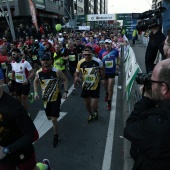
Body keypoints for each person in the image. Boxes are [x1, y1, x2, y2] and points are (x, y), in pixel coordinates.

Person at [124, 58, 170, 170]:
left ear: (164, 88)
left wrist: (147, 98)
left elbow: (130, 129)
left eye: (152, 81)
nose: (150, 84)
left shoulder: (157, 123)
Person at [0, 79, 39, 170]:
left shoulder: (14, 108)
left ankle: (45, 166)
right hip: (4, 160)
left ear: (1, 83)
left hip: (22, 154)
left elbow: (33, 135)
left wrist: (6, 150)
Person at [33, 53, 68, 147]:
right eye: (43, 60)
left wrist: (65, 91)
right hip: (45, 99)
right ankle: (54, 112)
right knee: (48, 118)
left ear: (51, 60)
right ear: (41, 61)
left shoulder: (57, 71)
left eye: (47, 60)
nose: (45, 62)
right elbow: (35, 81)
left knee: (53, 119)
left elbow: (65, 79)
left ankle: (56, 136)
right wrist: (36, 93)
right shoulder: (38, 72)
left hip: (55, 98)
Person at [74, 46, 105, 123]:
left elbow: (102, 69)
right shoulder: (80, 63)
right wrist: (77, 77)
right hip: (85, 86)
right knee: (87, 104)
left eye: (89, 54)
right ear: (83, 54)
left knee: (93, 105)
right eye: (85, 54)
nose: (87, 56)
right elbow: (77, 73)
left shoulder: (98, 61)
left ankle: (95, 111)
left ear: (92, 53)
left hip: (95, 86)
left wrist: (103, 78)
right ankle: (91, 114)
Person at [11, 48, 34, 114]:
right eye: (12, 55)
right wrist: (12, 79)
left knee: (23, 98)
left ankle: (26, 112)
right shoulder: (13, 63)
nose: (13, 56)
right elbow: (13, 72)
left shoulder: (25, 63)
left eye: (14, 54)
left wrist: (27, 79)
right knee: (18, 99)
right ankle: (29, 97)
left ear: (19, 54)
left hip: (25, 83)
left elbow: (32, 72)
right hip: (17, 83)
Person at [101, 39, 120, 110]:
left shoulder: (115, 51)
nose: (107, 45)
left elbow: (118, 57)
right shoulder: (101, 52)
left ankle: (109, 102)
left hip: (112, 72)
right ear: (104, 45)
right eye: (106, 44)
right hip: (104, 73)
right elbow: (100, 62)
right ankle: (107, 94)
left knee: (110, 87)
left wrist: (117, 64)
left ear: (111, 44)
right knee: (105, 86)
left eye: (108, 44)